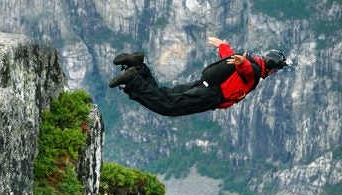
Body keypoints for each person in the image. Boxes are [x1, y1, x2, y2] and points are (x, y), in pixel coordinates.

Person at [109, 37, 287, 116]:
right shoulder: (254, 71)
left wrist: (223, 46)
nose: (274, 73)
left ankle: (139, 67)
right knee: (166, 106)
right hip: (210, 96)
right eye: (276, 70)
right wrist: (243, 64)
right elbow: (246, 71)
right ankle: (133, 78)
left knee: (164, 95)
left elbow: (230, 55)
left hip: (203, 84)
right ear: (272, 69)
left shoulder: (251, 58)